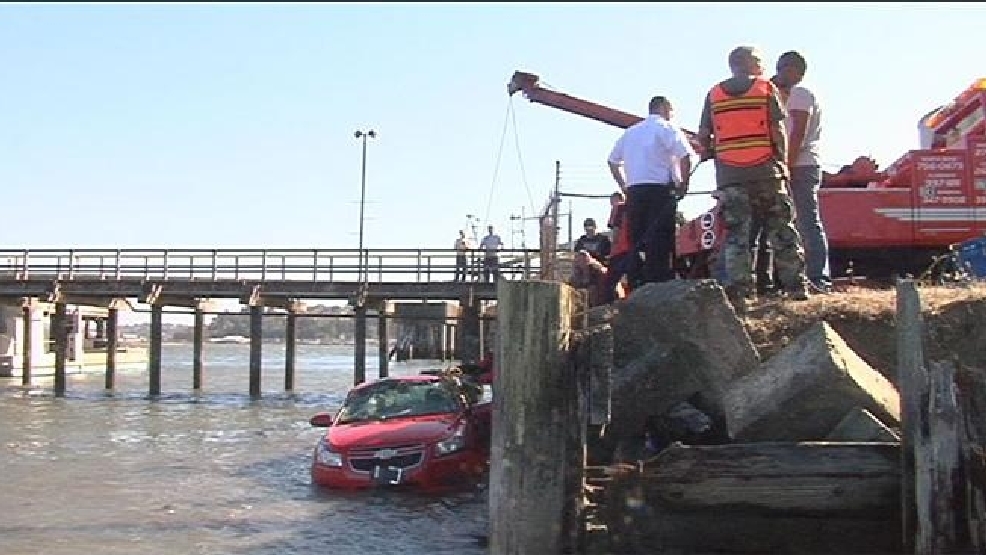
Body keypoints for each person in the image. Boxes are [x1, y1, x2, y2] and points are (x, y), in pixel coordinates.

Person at [697, 45, 810, 314]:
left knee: (737, 235)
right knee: (782, 231)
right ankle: (796, 288)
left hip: (731, 177)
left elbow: (703, 135)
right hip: (766, 173)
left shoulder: (714, 95)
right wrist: (783, 164)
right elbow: (777, 130)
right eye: (760, 62)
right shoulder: (765, 89)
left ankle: (740, 293)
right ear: (752, 63)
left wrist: (715, 152)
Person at [607, 95, 696, 287]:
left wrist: (624, 185)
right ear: (665, 108)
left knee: (637, 238)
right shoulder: (667, 128)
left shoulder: (631, 132)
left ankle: (636, 281)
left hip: (635, 190)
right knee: (660, 237)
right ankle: (659, 282)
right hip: (660, 189)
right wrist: (684, 184)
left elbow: (612, 161)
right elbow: (686, 156)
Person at [773, 50, 832, 292]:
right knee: (798, 222)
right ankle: (805, 277)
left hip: (802, 164)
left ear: (794, 70)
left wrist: (786, 164)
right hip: (798, 163)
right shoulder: (794, 95)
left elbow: (797, 132)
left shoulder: (800, 93)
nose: (777, 74)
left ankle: (818, 278)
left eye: (782, 68)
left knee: (807, 221)